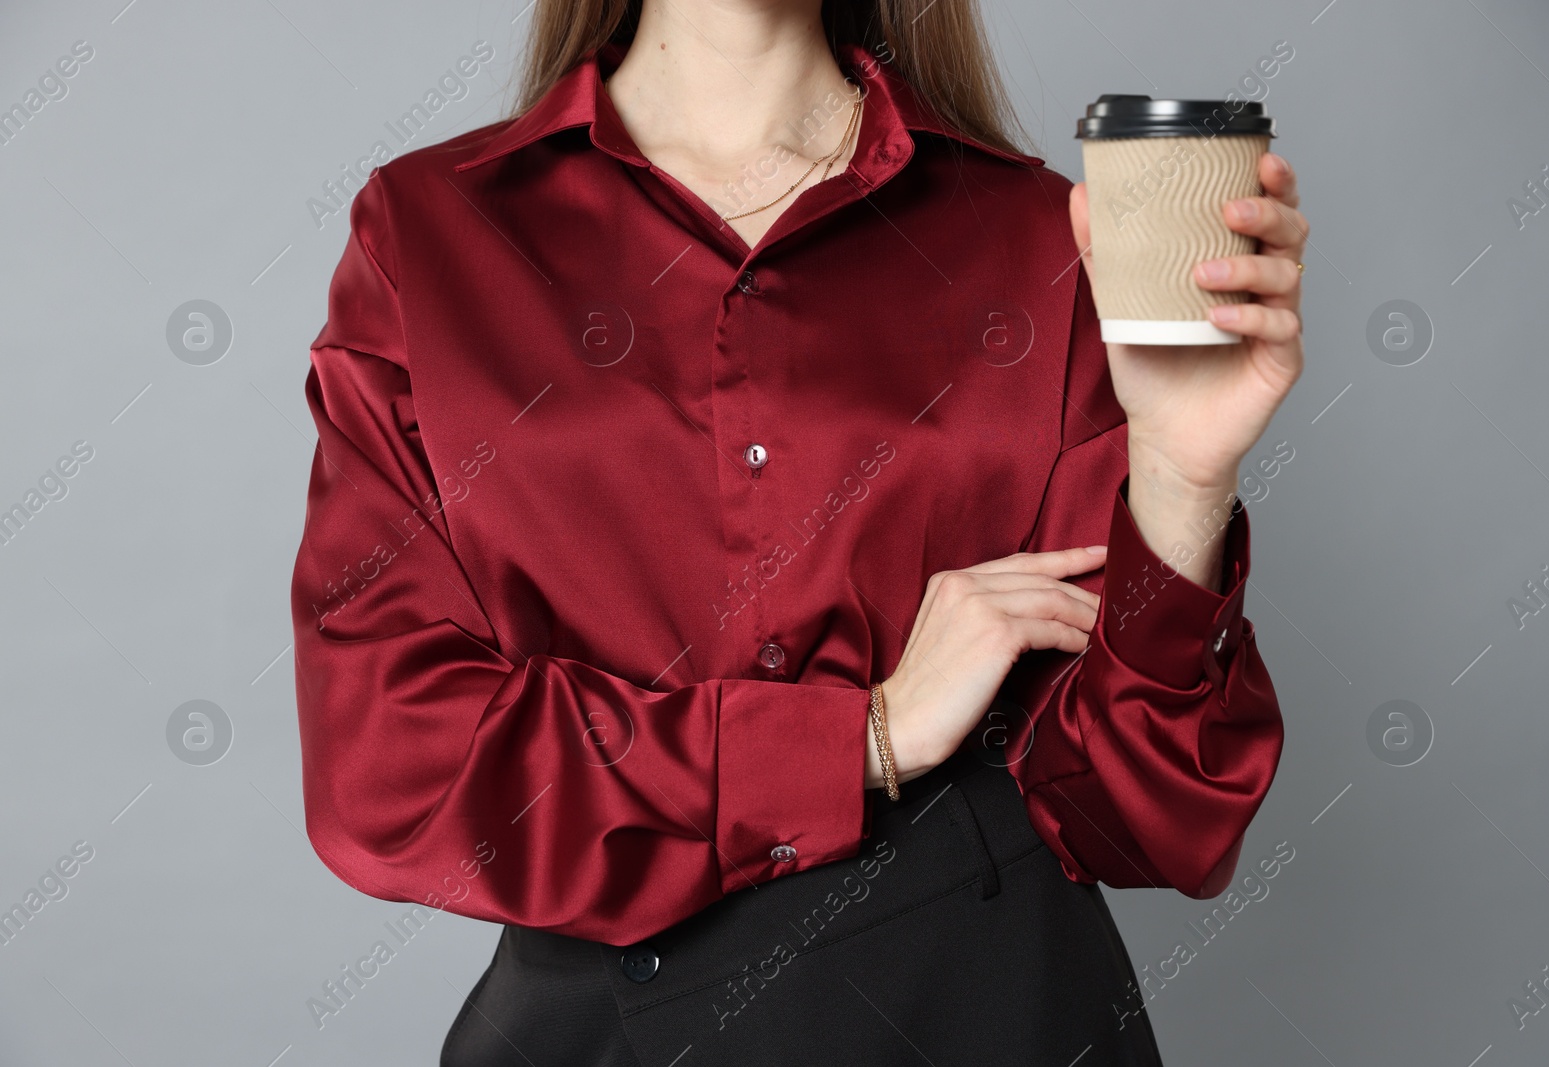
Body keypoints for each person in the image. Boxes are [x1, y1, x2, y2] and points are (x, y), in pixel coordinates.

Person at [289, 0, 1306, 1063]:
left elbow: (1146, 815)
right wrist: (861, 735)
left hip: (985, 1010)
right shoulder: (429, 230)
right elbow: (387, 764)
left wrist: (1186, 474)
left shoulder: (1036, 233)